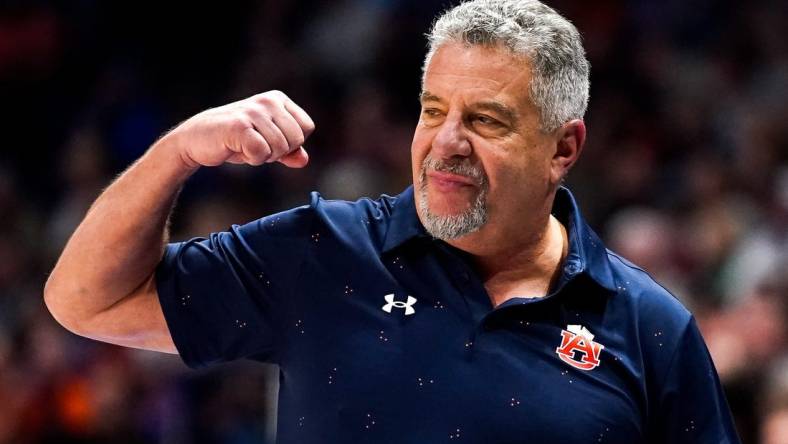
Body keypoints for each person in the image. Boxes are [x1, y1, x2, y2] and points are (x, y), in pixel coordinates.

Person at [44, 0, 741, 442]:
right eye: (433, 110)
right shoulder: (325, 252)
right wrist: (176, 154)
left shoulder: (650, 327)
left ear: (564, 148)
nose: (446, 141)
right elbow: (85, 300)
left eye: (485, 120)